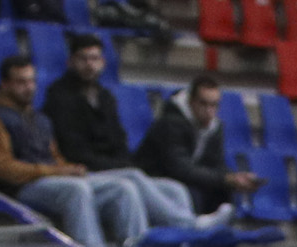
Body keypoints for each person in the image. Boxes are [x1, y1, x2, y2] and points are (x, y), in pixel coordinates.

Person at [0, 55, 146, 247]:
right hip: (19, 189)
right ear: (4, 84)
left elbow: (54, 158)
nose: (29, 87)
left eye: (31, 81)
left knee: (123, 187)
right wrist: (53, 172)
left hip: (52, 181)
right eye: (21, 82)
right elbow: (2, 168)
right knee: (76, 190)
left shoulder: (39, 119)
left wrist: (68, 168)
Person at [44, 35, 212, 232]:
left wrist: (121, 164)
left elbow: (119, 140)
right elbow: (73, 150)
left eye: (94, 58)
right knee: (132, 176)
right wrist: (120, 166)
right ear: (71, 61)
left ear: (103, 62)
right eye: (83, 59)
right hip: (83, 171)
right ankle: (191, 225)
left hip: (114, 170)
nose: (89, 65)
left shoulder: (106, 97)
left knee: (175, 190)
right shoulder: (59, 96)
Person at [136, 75, 254, 217]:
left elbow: (216, 164)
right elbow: (180, 169)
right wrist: (225, 179)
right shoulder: (170, 123)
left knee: (222, 191)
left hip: (184, 181)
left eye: (214, 105)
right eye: (203, 104)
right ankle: (192, 232)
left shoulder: (215, 127)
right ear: (191, 102)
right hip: (155, 181)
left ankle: (217, 233)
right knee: (193, 192)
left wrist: (234, 178)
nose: (209, 111)